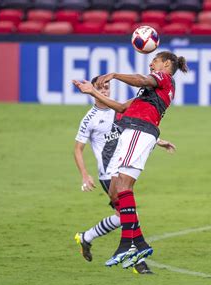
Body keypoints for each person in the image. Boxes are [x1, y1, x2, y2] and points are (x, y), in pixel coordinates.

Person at [73, 51, 188, 270]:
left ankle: (126, 244)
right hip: (135, 131)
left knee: (123, 187)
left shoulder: (163, 78)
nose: (150, 63)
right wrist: (91, 91)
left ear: (166, 63)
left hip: (139, 130)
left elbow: (143, 79)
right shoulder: (150, 91)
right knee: (118, 190)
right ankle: (140, 243)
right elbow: (124, 108)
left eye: (154, 60)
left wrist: (115, 74)